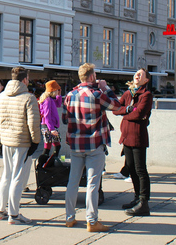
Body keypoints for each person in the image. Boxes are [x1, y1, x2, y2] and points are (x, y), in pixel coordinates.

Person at [64, 63, 121, 232]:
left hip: (75, 145)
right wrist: (107, 88)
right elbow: (117, 106)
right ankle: (92, 221)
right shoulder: (97, 94)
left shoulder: (70, 95)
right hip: (94, 144)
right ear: (91, 77)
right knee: (92, 184)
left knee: (72, 182)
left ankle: (69, 218)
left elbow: (65, 119)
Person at [0, 67, 41, 225]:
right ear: (25, 79)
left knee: (6, 175)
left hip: (6, 141)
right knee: (18, 178)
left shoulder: (0, 96)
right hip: (22, 142)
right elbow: (33, 123)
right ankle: (14, 214)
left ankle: (0, 210)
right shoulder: (29, 98)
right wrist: (35, 141)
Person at [113, 68, 153, 216]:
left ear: (146, 80)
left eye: (141, 74)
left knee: (141, 169)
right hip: (127, 136)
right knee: (131, 169)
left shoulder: (146, 95)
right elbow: (115, 108)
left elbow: (140, 114)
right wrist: (129, 110)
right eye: (136, 73)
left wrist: (126, 113)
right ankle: (137, 198)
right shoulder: (128, 93)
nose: (137, 75)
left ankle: (144, 202)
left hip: (138, 136)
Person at [39, 80, 62, 157]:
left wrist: (59, 95)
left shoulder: (50, 99)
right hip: (49, 127)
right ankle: (44, 164)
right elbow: (47, 115)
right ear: (53, 90)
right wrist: (51, 129)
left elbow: (58, 104)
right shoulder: (48, 100)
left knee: (51, 146)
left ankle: (45, 164)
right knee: (52, 147)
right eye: (57, 90)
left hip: (49, 126)